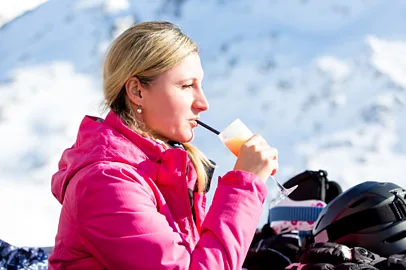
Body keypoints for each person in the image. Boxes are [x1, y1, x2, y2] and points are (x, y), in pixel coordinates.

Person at [48, 21, 278, 270]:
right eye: (187, 86)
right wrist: (245, 185)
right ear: (137, 92)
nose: (203, 103)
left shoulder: (165, 169)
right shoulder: (106, 183)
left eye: (200, 85)